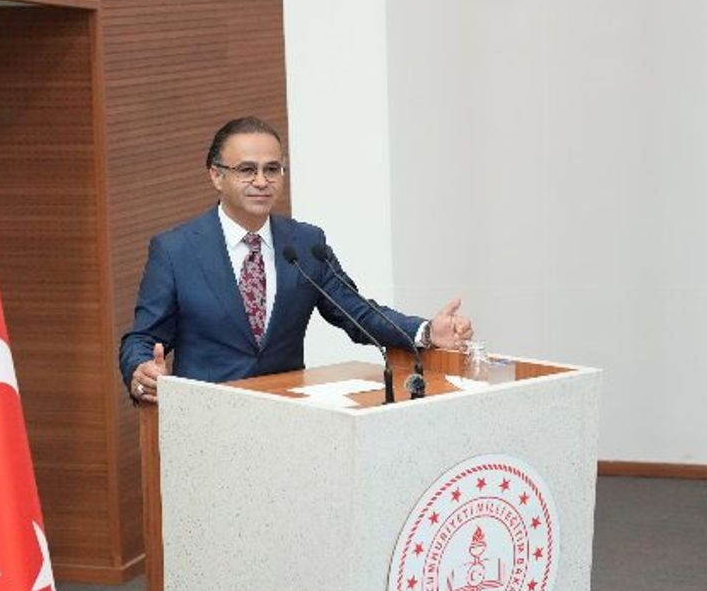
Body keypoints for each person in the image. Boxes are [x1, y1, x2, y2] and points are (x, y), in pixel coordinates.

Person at [119, 116, 473, 404]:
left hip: (287, 417)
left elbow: (358, 314)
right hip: (208, 417)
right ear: (216, 175)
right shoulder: (176, 250)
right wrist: (141, 369)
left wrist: (426, 331)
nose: (262, 181)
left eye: (272, 169)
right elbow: (142, 339)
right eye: (247, 170)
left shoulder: (305, 244)